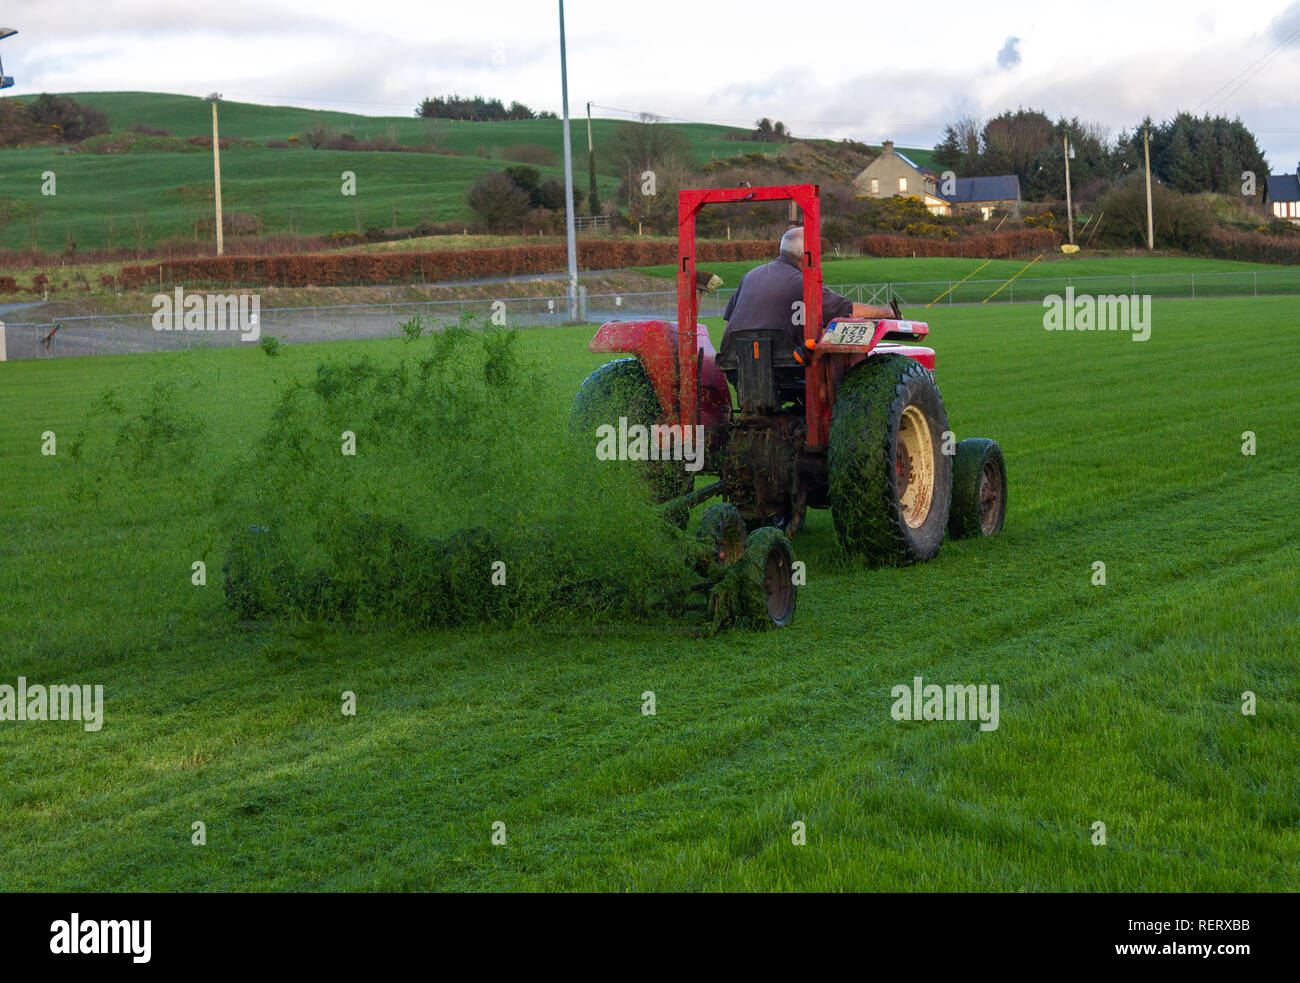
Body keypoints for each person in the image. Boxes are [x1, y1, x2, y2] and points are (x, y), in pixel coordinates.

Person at [720, 227, 895, 359]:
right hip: (783, 366)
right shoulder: (803, 282)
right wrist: (888, 313)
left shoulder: (750, 276)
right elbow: (847, 309)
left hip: (734, 363)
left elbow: (728, 322)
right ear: (807, 253)